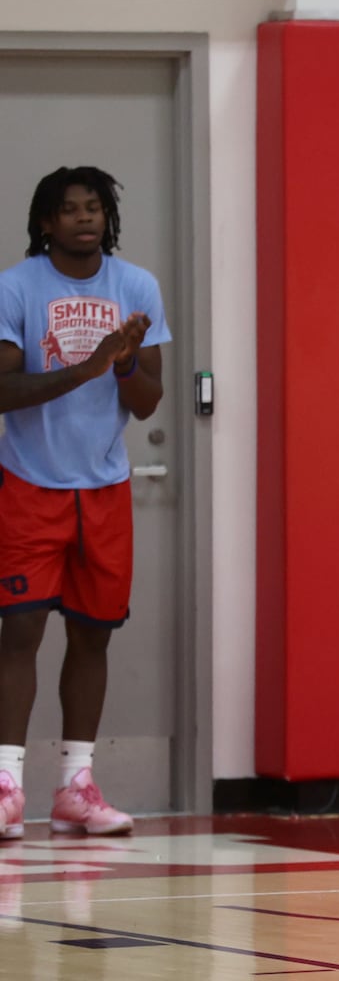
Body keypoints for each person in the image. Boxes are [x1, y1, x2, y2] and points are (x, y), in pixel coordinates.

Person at [0, 166, 169, 840]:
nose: (84, 218)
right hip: (29, 482)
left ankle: (76, 786)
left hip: (104, 487)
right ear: (46, 223)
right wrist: (86, 366)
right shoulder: (16, 286)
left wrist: (126, 364)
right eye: (68, 210)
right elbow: (3, 392)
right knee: (19, 633)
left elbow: (149, 398)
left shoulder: (137, 286)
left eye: (93, 208)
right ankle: (7, 786)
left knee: (92, 633)